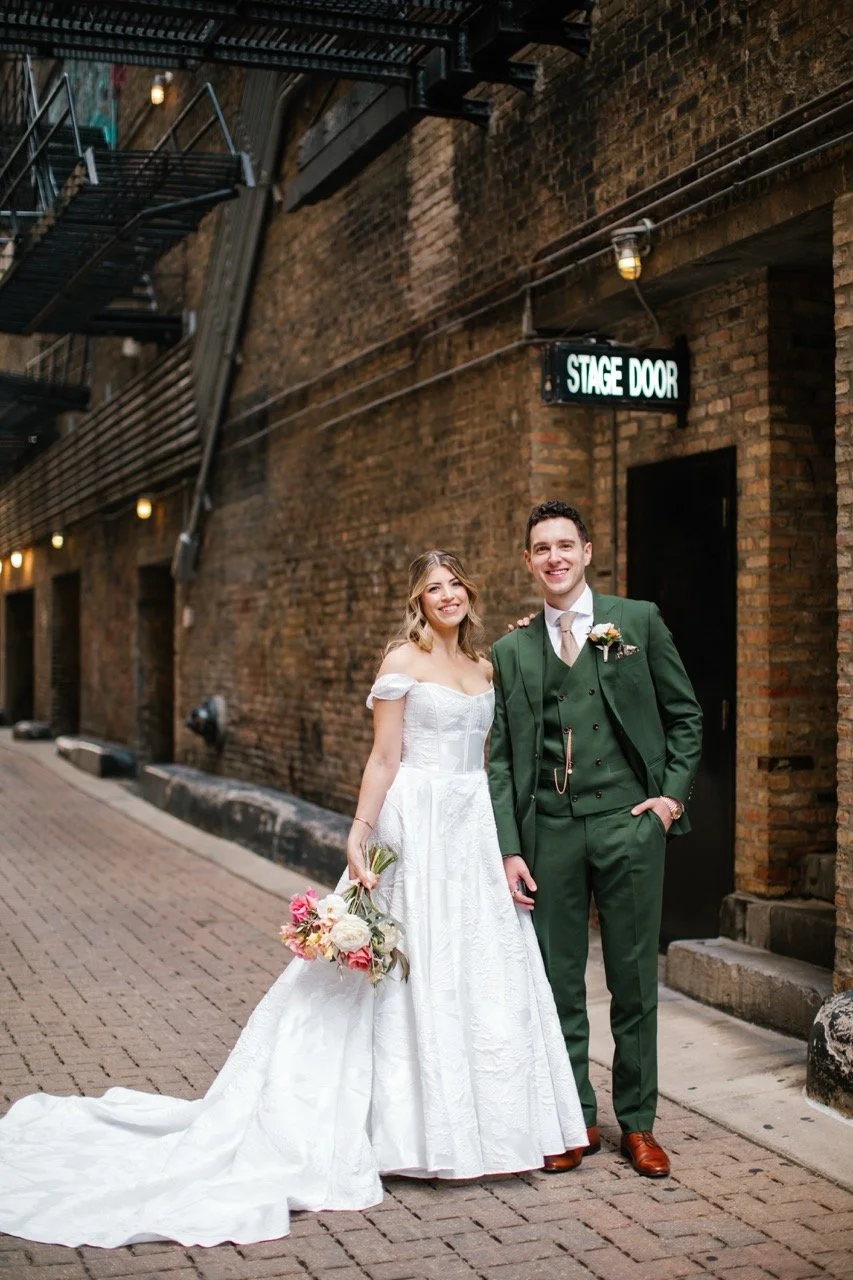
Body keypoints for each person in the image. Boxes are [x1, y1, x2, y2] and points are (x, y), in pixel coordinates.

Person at [0, 549, 587, 1250]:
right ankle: (405, 1131)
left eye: (455, 584)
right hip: (416, 823)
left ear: (469, 593)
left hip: (470, 829)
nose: (447, 595)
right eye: (433, 588)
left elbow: (503, 741)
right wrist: (359, 831)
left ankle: (485, 1125)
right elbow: (384, 758)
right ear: (418, 601)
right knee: (405, 966)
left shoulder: (487, 666)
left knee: (475, 965)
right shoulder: (401, 661)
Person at [488, 501, 702, 1178]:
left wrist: (668, 801)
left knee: (633, 980)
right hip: (549, 831)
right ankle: (573, 1115)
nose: (553, 558)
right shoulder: (511, 650)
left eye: (564, 545)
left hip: (627, 823)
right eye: (540, 549)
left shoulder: (634, 622)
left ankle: (637, 1123)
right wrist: (509, 847)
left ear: (585, 552)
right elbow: (500, 759)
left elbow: (685, 715)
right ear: (528, 562)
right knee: (558, 983)